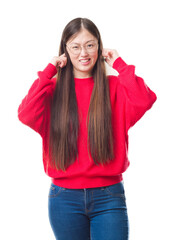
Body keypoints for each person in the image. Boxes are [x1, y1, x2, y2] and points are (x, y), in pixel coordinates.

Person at [18, 17, 157, 240]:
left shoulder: (114, 87)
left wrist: (119, 63)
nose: (84, 53)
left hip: (109, 196)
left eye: (90, 45)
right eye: (75, 46)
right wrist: (48, 71)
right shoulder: (52, 90)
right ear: (65, 51)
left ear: (99, 47)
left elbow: (145, 99)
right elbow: (25, 113)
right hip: (64, 199)